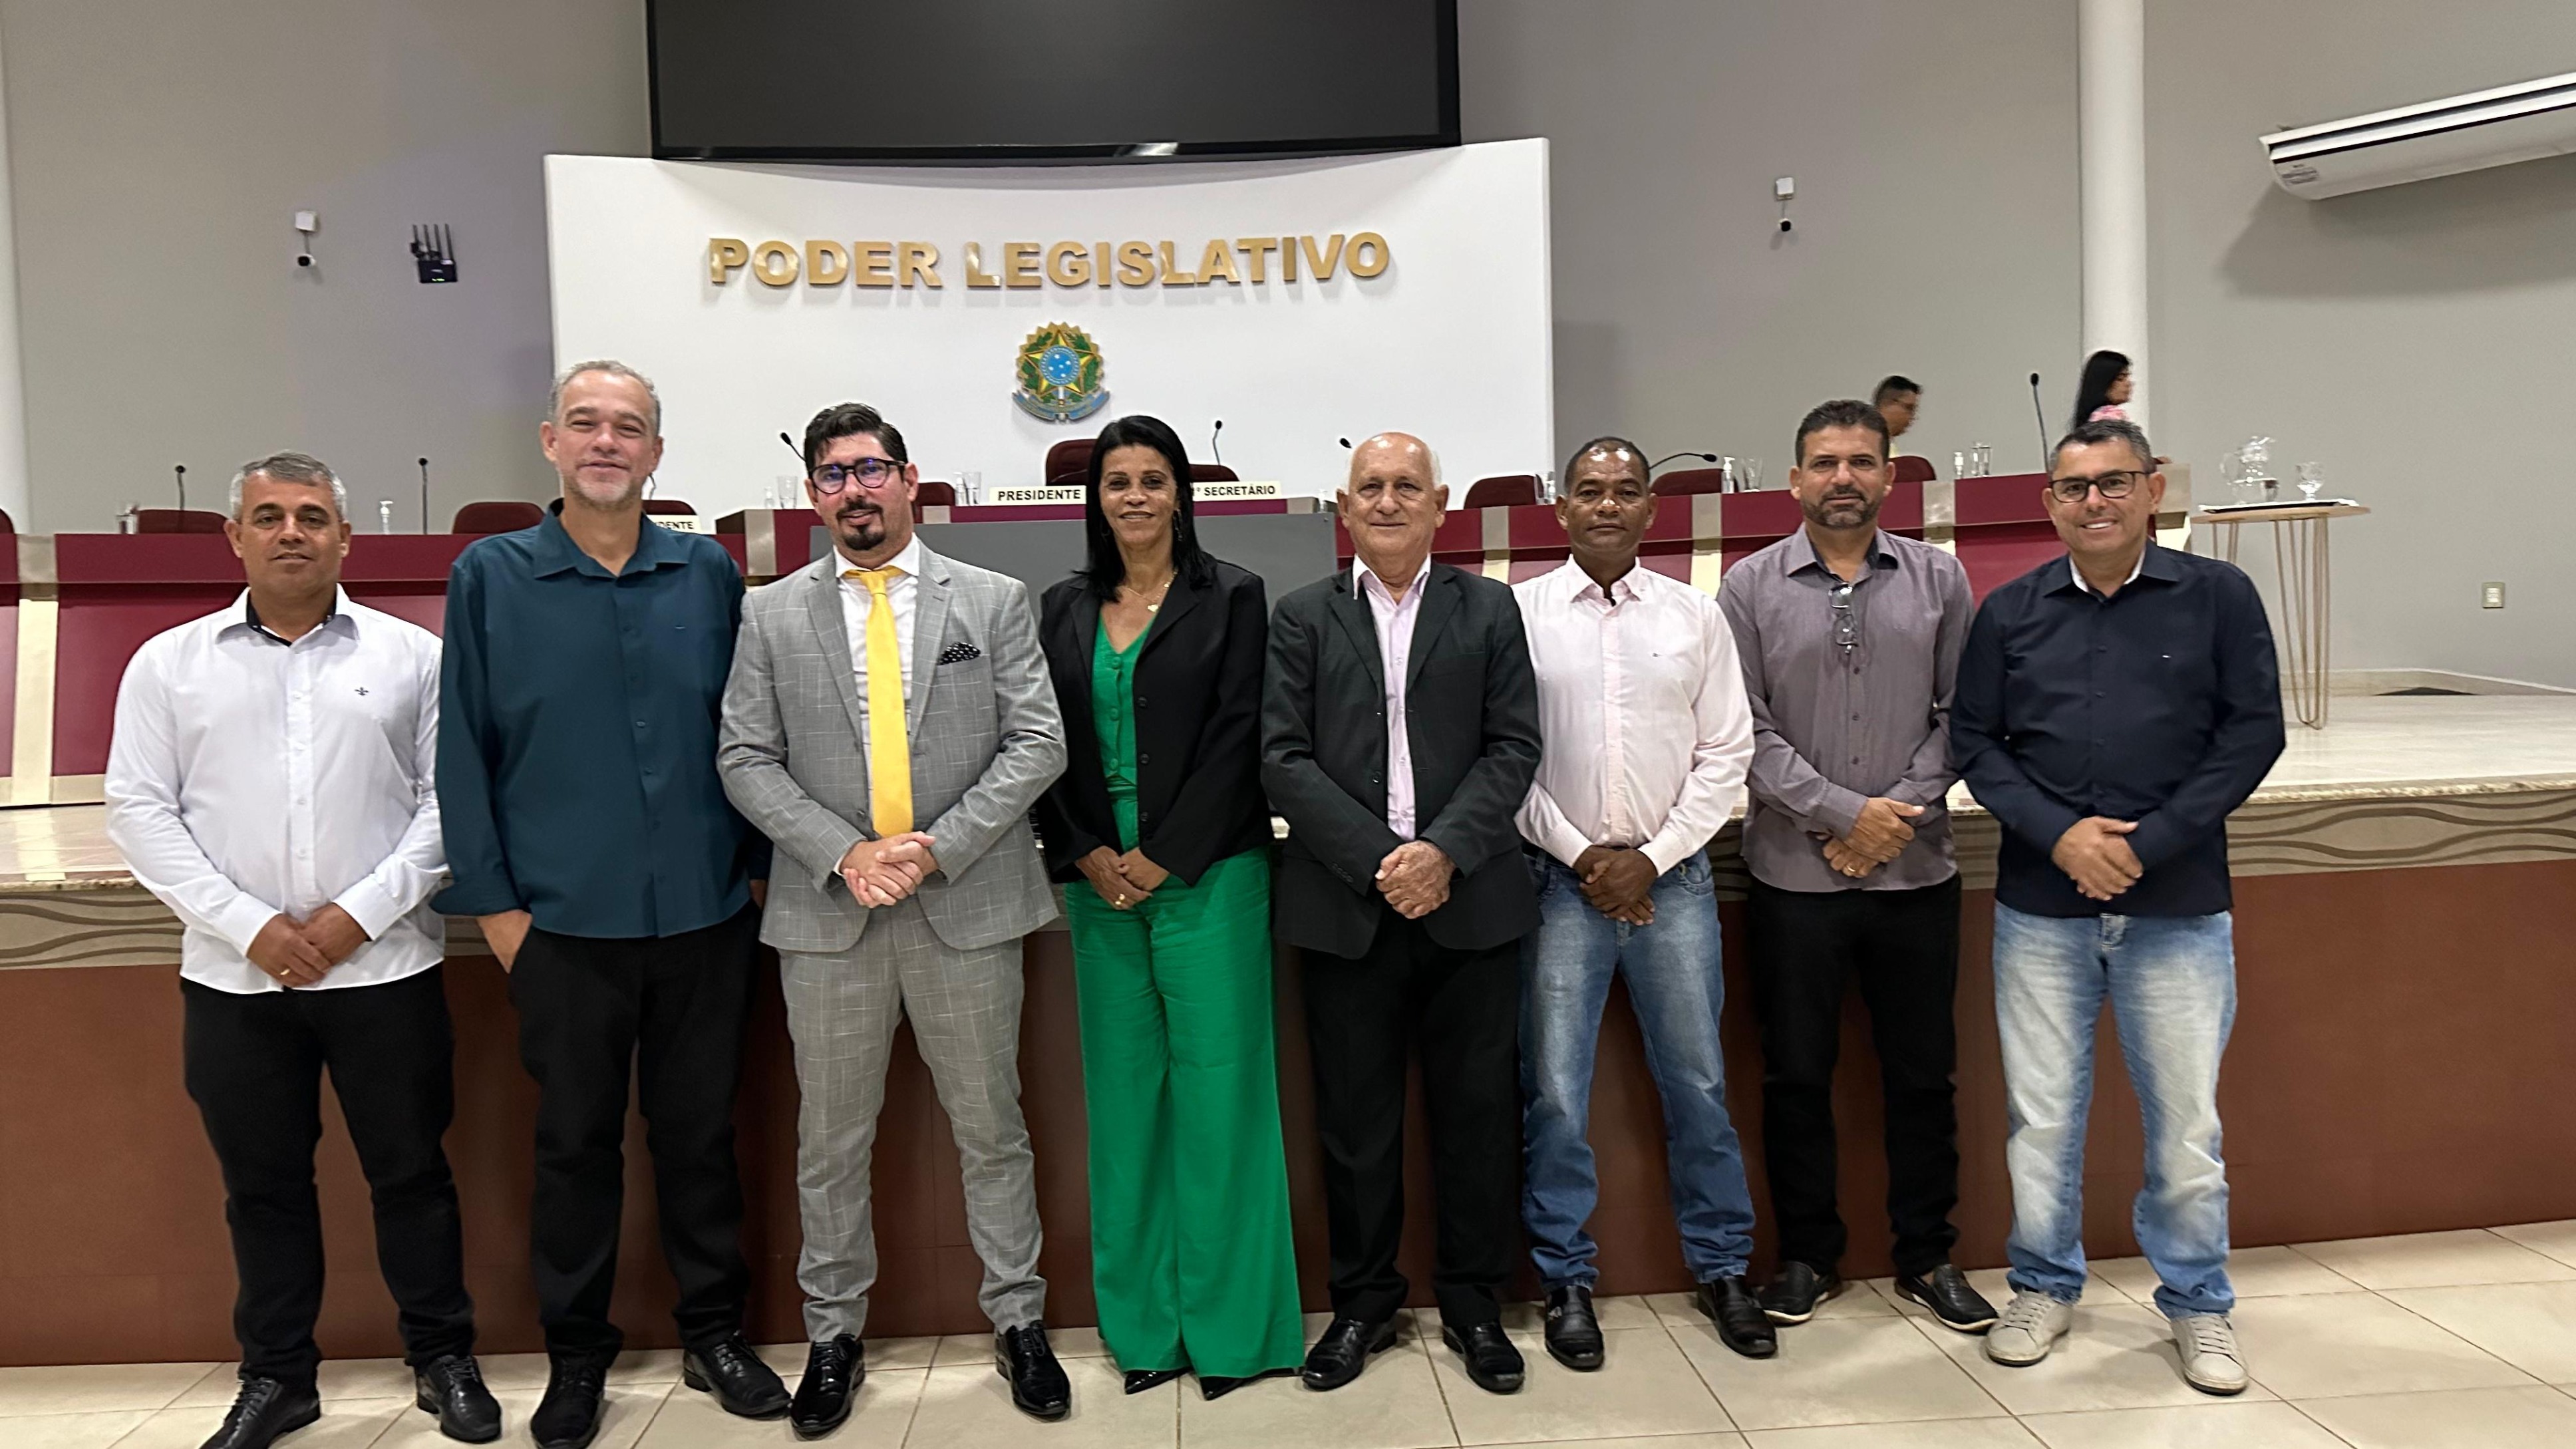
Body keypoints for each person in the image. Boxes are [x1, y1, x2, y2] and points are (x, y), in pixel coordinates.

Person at [105, 454, 497, 1449]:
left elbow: (449, 803)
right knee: (263, 1188)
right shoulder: (168, 664)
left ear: (345, 538)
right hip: (235, 981)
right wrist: (252, 926)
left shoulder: (413, 656)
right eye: (270, 515)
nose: (292, 532)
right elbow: (140, 811)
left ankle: (443, 1358)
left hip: (385, 971)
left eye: (312, 516)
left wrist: (356, 916)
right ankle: (278, 1377)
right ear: (234, 536)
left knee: (412, 1175)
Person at [437, 362, 788, 1449]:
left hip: (704, 915)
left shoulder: (705, 570)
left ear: (656, 453)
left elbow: (753, 730)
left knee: (699, 1138)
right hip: (561, 925)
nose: (605, 442)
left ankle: (714, 1332)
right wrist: (498, 910)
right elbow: (462, 750)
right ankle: (577, 1354)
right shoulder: (491, 575)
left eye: (627, 427)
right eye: (584, 423)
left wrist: (755, 873)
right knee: (575, 1148)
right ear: (550, 441)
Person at [718, 401, 1072, 1430]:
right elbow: (744, 755)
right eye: (833, 475)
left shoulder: (993, 599)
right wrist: (848, 853)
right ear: (813, 494)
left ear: (910, 480)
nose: (854, 490)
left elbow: (1038, 741)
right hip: (833, 911)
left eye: (871, 469)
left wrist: (935, 847)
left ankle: (1019, 1321)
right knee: (830, 1139)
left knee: (993, 1127)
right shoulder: (769, 614)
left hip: (965, 900)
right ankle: (833, 1335)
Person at [1951, 417, 2284, 1396]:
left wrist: (2148, 843)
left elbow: (2252, 732)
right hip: (2041, 909)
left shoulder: (2217, 596)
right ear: (2049, 502)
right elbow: (1976, 744)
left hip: (2177, 906)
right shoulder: (2009, 611)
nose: (2093, 501)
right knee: (2041, 1119)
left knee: (2185, 1128)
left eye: (2113, 482)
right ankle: (2041, 1285)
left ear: (2152, 488)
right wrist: (2061, 837)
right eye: (2073, 487)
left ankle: (2198, 1301)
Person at [1262, 432, 1542, 1396]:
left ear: (1439, 504)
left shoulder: (1489, 608)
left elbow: (1513, 747)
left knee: (1478, 1115)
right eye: (1370, 487)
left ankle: (1473, 1301)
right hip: (1346, 907)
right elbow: (1282, 757)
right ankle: (1363, 1303)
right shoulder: (1300, 615)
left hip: (1471, 903)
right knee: (1355, 1124)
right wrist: (1383, 861)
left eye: (1406, 486)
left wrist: (1441, 853)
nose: (1387, 501)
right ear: (1344, 508)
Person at [1033, 416, 1302, 1400]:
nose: (1136, 496)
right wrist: (1085, 849)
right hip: (1096, 883)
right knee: (1124, 1105)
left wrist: (1161, 855)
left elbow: (1240, 735)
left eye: (1153, 479)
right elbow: (1039, 739)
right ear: (1095, 499)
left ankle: (1234, 1334)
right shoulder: (1062, 607)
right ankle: (1144, 1329)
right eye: (1118, 481)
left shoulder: (1233, 595)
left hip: (1208, 876)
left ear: (1180, 492)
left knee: (1223, 1100)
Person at [1718, 401, 1995, 1337]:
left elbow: (1963, 714)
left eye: (1862, 462)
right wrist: (1844, 816)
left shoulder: (1938, 579)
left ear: (1889, 475)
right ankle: (1808, 1256)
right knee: (1796, 1075)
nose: (1844, 478)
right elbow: (1742, 729)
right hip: (1793, 879)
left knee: (1922, 1077)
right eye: (1825, 462)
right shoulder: (1748, 587)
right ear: (1794, 479)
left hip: (1914, 878)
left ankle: (1928, 1255)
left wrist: (1892, 819)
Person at [1512, 438, 1772, 1367]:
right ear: (1561, 508)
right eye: (1590, 491)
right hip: (1558, 884)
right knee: (1554, 1094)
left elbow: (1726, 752)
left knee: (1697, 1083)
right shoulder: (1519, 615)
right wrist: (1586, 855)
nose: (1607, 505)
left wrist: (1651, 859)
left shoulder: (1695, 615)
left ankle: (1723, 1267)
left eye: (1625, 491)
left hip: (1676, 884)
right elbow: (1504, 756)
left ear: (1651, 509)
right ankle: (1565, 1279)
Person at [2070, 350, 2132, 428]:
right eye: (2120, 379)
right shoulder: (2108, 421)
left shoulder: (2090, 426)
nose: (2128, 383)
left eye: (2127, 377)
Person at [1873, 375, 1922, 446]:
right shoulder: (1865, 443)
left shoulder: (1887, 446)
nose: (1913, 416)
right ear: (1889, 403)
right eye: (1908, 408)